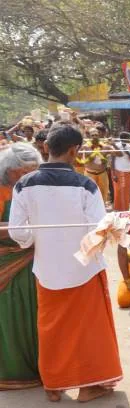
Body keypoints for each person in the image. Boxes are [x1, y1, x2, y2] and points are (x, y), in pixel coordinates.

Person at [9, 124, 122, 402]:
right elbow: (98, 229)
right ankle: (88, 386)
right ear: (74, 151)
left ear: (46, 148)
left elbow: (16, 231)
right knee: (88, 329)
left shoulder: (24, 184)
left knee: (50, 327)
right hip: (83, 268)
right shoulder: (85, 185)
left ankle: (54, 385)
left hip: (46, 267)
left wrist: (38, 239)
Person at [0, 143, 42, 390]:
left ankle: (38, 367)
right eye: (24, 171)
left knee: (33, 315)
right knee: (11, 314)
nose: (29, 175)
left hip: (31, 259)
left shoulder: (29, 188)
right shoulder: (2, 192)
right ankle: (13, 372)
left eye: (34, 170)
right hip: (7, 260)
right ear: (9, 170)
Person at [78, 127, 113, 205]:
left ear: (99, 136)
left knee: (104, 192)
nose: (94, 137)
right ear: (89, 137)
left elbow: (117, 154)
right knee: (89, 193)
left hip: (102, 173)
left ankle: (102, 208)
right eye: (92, 135)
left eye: (96, 135)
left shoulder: (105, 146)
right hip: (90, 174)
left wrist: (112, 143)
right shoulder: (85, 147)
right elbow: (77, 157)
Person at [110, 132, 130, 211]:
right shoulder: (116, 146)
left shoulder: (129, 146)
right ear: (123, 138)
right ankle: (118, 210)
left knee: (126, 191)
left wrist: (128, 152)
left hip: (128, 171)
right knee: (118, 192)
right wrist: (113, 174)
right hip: (118, 171)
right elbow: (112, 161)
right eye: (128, 138)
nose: (129, 140)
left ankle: (125, 209)